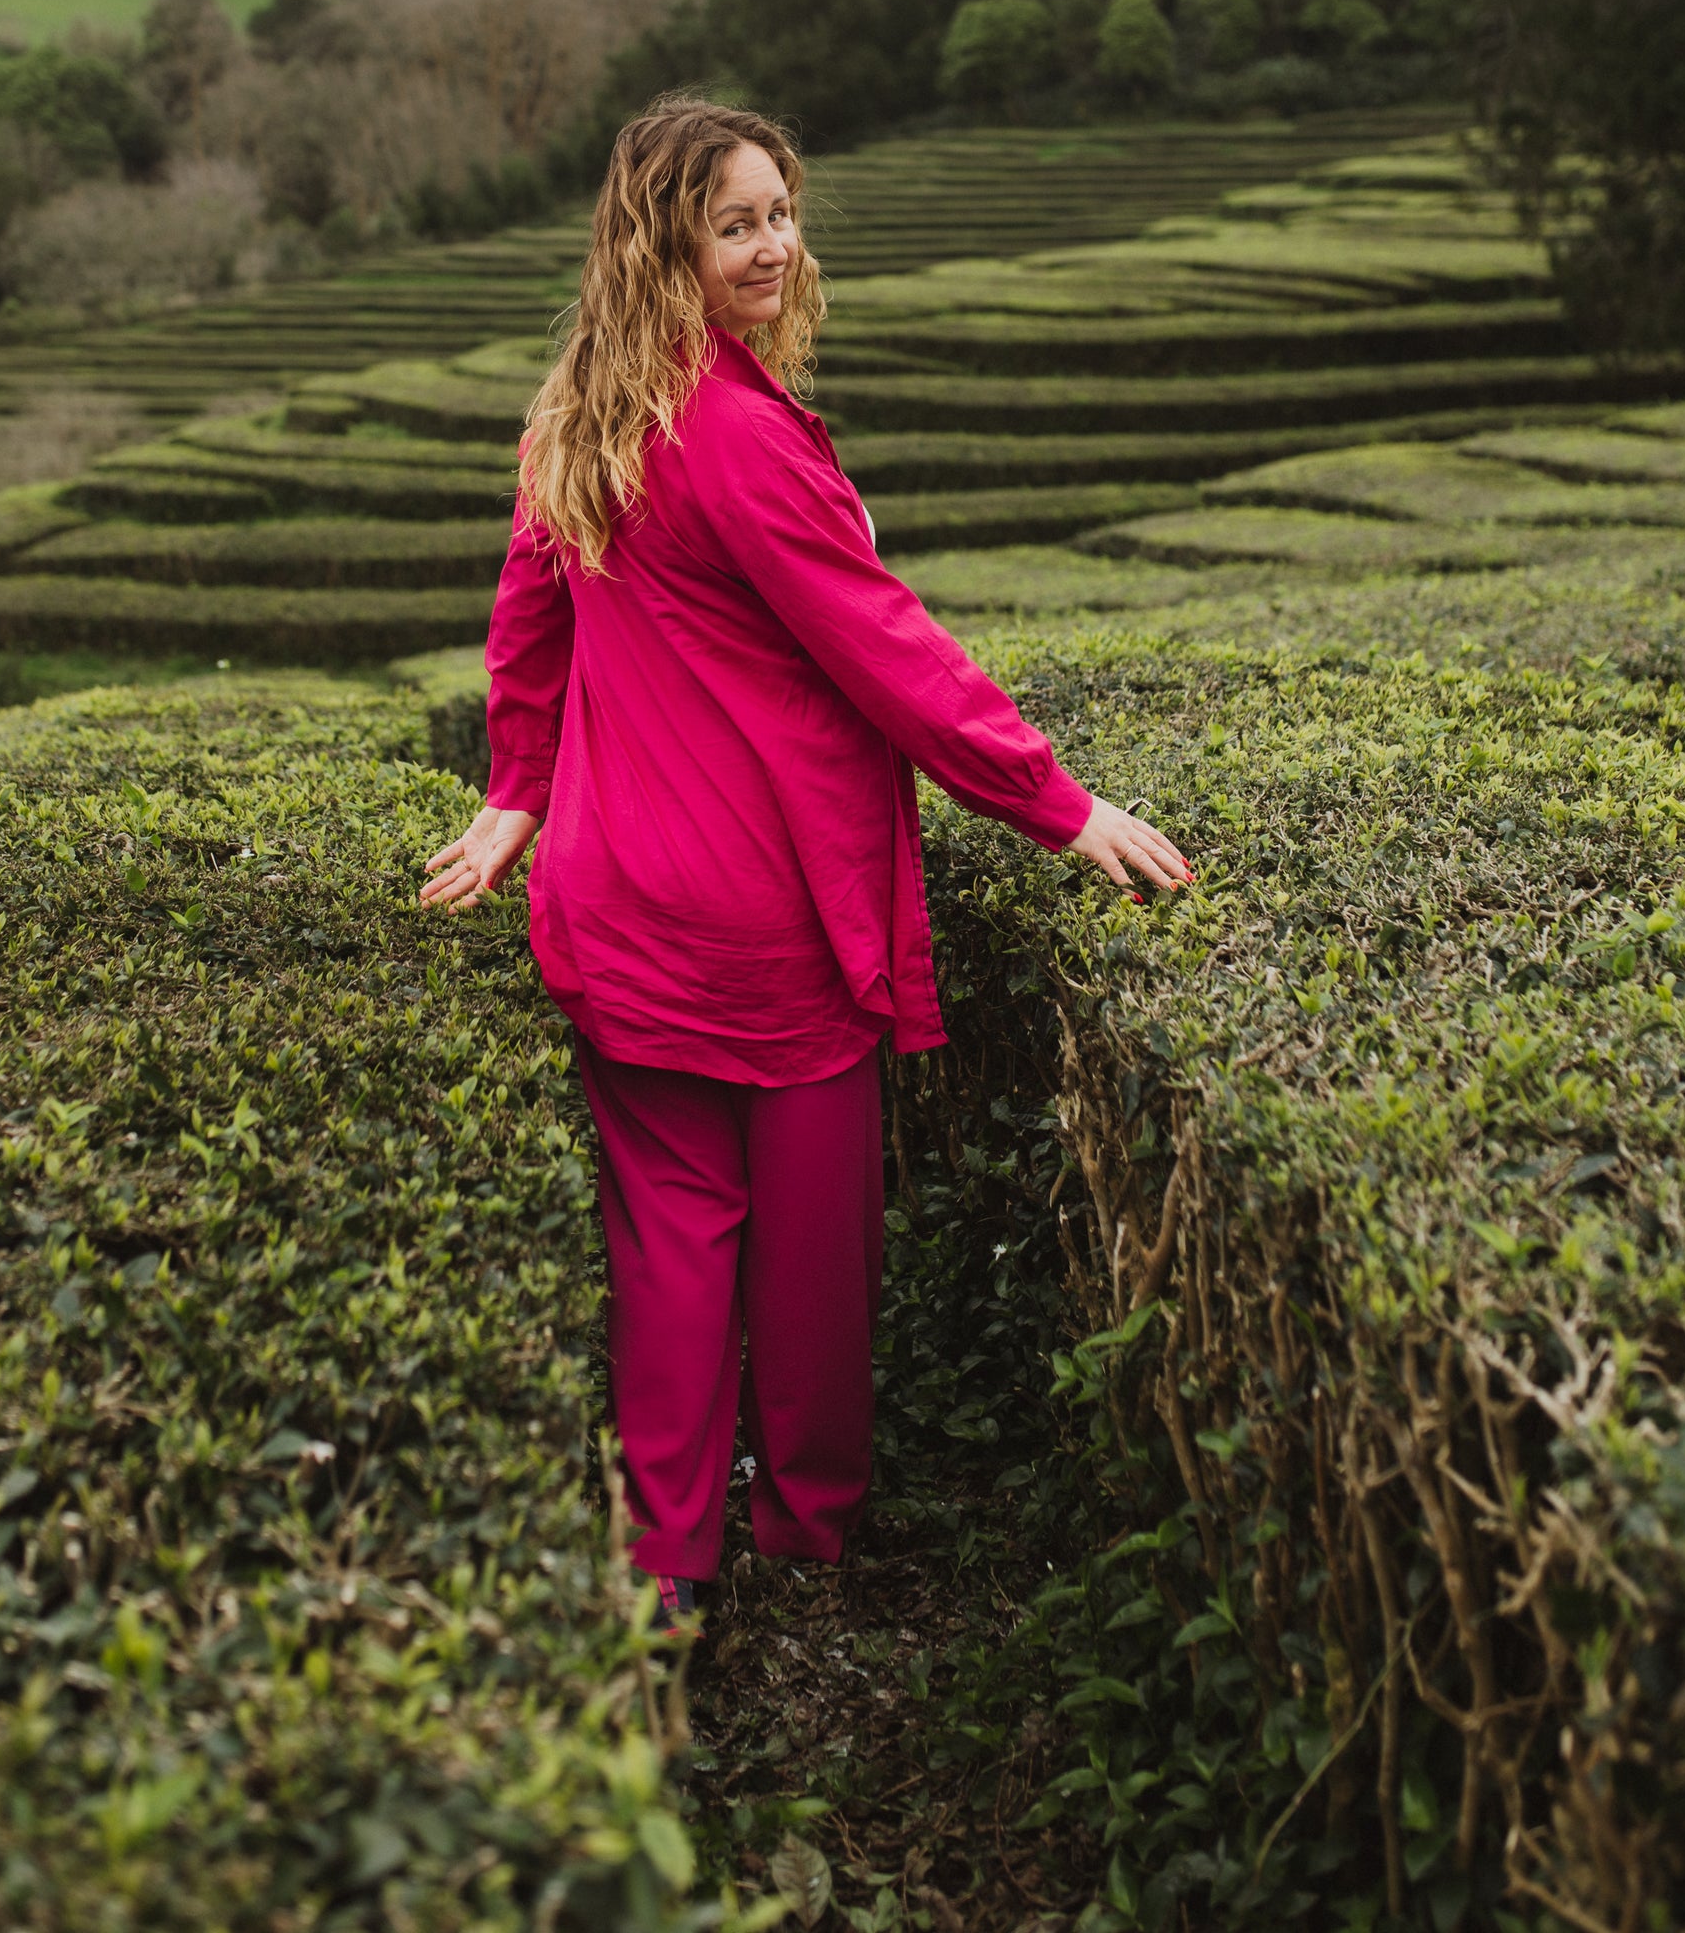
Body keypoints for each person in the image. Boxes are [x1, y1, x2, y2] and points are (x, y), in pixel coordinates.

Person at [421, 97, 1190, 1619]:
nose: (776, 245)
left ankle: (669, 1561)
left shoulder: (584, 405)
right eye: (738, 224)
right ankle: (811, 1536)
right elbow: (886, 649)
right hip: (763, 905)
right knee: (818, 1252)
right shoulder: (734, 437)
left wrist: (518, 791)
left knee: (672, 1236)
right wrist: (1055, 802)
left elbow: (529, 608)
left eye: (782, 213)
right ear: (670, 244)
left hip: (615, 893)